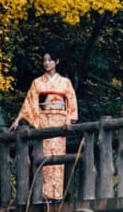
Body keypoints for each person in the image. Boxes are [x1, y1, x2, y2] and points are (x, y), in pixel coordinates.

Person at [9, 51, 78, 201]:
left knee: (58, 157)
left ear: (56, 61)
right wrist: (18, 119)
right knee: (43, 156)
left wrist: (68, 120)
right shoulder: (37, 83)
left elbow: (71, 103)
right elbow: (29, 103)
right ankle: (43, 195)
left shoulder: (65, 82)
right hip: (44, 122)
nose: (46, 63)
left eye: (50, 60)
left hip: (60, 123)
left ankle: (57, 195)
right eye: (44, 60)